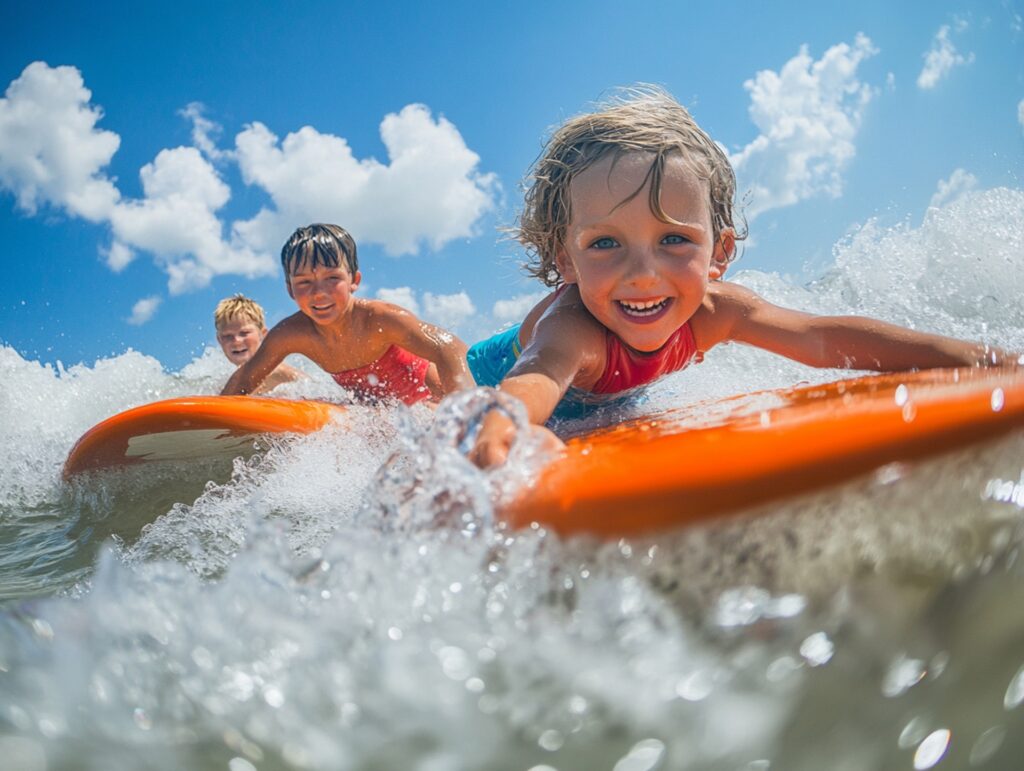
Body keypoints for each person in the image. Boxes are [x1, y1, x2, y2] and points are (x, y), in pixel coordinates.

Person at [467, 87, 1012, 467]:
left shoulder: (717, 312)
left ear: (718, 251)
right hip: (485, 377)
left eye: (674, 239)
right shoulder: (574, 327)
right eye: (605, 243)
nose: (643, 274)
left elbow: (821, 338)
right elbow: (535, 377)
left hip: (596, 403)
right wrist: (502, 427)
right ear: (566, 260)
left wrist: (984, 362)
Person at [222, 223, 474, 404]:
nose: (319, 293)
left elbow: (450, 348)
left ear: (354, 280)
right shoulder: (291, 334)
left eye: (332, 278)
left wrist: (463, 411)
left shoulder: (379, 318)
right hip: (378, 415)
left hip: (431, 401)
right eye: (304, 282)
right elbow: (244, 379)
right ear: (290, 289)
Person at [214, 294, 305, 394]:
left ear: (263, 334)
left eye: (244, 333)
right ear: (219, 340)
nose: (236, 341)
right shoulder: (225, 379)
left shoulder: (276, 371)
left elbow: (315, 389)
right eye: (227, 336)